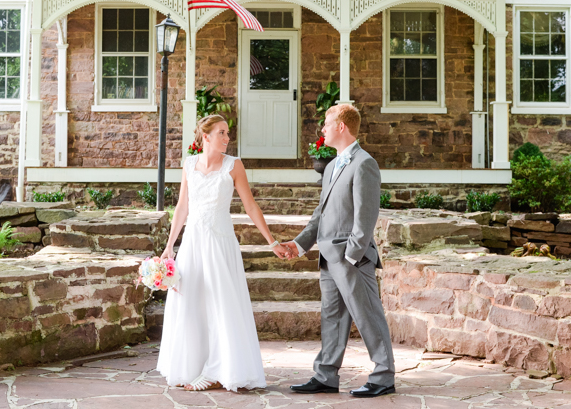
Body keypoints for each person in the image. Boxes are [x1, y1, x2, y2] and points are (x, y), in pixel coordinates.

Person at [156, 114, 290, 392]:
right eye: (221, 133)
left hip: (219, 243)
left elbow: (251, 206)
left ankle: (219, 370)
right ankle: (192, 367)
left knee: (221, 303)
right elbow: (182, 208)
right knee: (191, 303)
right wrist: (170, 246)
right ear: (206, 137)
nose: (227, 138)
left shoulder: (233, 166)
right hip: (192, 242)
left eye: (228, 133)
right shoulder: (189, 165)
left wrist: (271, 241)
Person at [283, 104, 396, 398]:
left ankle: (383, 376)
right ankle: (325, 375)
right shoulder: (332, 165)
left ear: (341, 126)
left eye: (326, 123)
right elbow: (321, 214)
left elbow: (366, 216)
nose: (322, 128)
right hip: (327, 257)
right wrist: (298, 244)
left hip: (352, 258)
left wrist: (352, 255)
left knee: (368, 315)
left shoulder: (364, 163)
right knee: (331, 317)